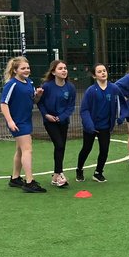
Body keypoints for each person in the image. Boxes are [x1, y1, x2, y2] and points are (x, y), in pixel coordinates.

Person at [0, 56, 45, 193]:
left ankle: (15, 178)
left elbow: (33, 101)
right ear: (15, 70)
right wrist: (10, 121)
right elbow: (3, 104)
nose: (26, 70)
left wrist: (38, 95)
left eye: (28, 68)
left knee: (20, 150)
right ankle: (29, 182)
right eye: (23, 68)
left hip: (26, 120)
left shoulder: (29, 83)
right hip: (18, 122)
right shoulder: (11, 84)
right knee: (27, 149)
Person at [77, 63, 119, 183]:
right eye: (99, 71)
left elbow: (122, 102)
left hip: (105, 126)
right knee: (86, 148)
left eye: (104, 70)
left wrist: (121, 116)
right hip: (91, 127)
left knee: (104, 150)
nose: (103, 73)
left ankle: (98, 172)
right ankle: (79, 169)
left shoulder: (114, 88)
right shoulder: (91, 91)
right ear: (94, 76)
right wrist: (89, 125)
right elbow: (84, 110)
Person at [38, 59, 77, 187]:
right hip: (49, 121)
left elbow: (70, 106)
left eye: (65, 68)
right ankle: (60, 174)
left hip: (63, 121)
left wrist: (61, 117)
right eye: (60, 68)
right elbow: (40, 102)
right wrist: (46, 115)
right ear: (53, 72)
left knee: (61, 147)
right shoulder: (47, 86)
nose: (64, 70)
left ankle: (55, 176)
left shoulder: (70, 87)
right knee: (59, 145)